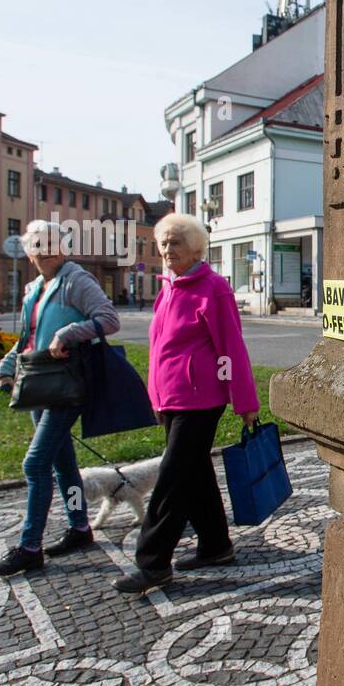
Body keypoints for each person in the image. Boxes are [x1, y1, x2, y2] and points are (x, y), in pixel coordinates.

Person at [114, 213, 260, 595]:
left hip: (201, 399)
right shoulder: (169, 288)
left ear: (196, 247)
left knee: (171, 480)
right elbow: (161, 350)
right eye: (163, 242)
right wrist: (155, 396)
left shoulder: (213, 289)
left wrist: (245, 400)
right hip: (173, 398)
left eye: (175, 242)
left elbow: (232, 349)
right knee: (194, 474)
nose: (166, 249)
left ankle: (153, 564)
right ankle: (216, 546)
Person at [0, 221, 121, 576]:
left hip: (67, 386)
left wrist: (68, 332)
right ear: (28, 253)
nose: (44, 251)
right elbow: (28, 337)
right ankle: (79, 527)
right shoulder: (34, 288)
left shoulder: (78, 281)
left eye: (50, 243)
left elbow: (109, 320)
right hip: (39, 384)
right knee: (63, 465)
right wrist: (7, 365)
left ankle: (30, 547)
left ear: (63, 247)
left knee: (35, 464)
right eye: (36, 245)